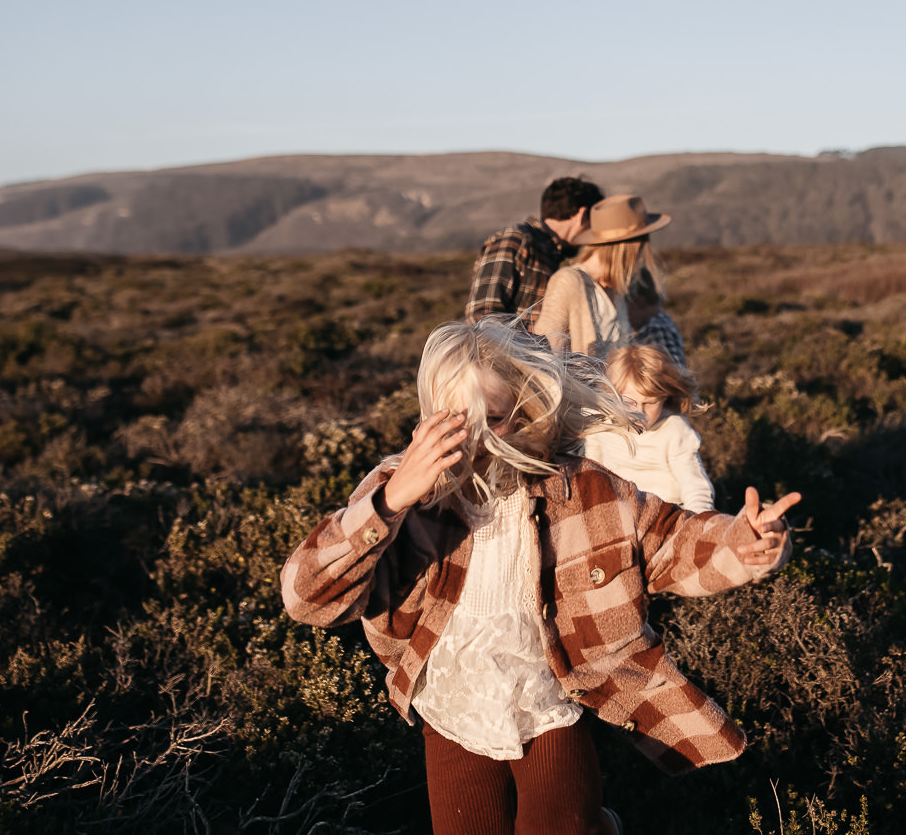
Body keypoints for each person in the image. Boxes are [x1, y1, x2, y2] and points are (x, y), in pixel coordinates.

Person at [280, 320, 801, 835]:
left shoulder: (583, 488)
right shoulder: (402, 494)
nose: (478, 439)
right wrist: (391, 501)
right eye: (457, 421)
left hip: (549, 692)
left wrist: (745, 543)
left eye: (496, 418)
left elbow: (671, 542)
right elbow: (306, 598)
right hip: (451, 698)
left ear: (527, 411)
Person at [532, 195, 668, 359]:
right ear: (632, 247)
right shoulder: (568, 282)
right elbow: (545, 357)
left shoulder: (619, 291)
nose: (641, 255)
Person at [587, 345, 714, 512]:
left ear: (664, 397)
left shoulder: (675, 431)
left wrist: (696, 528)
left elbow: (697, 491)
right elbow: (592, 475)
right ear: (614, 395)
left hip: (666, 515)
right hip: (618, 513)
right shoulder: (601, 422)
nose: (640, 411)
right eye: (629, 402)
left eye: (650, 403)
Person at [466, 176, 605, 323]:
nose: (593, 234)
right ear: (582, 216)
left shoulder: (549, 254)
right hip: (506, 347)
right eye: (593, 224)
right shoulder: (515, 241)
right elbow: (482, 317)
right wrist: (535, 340)